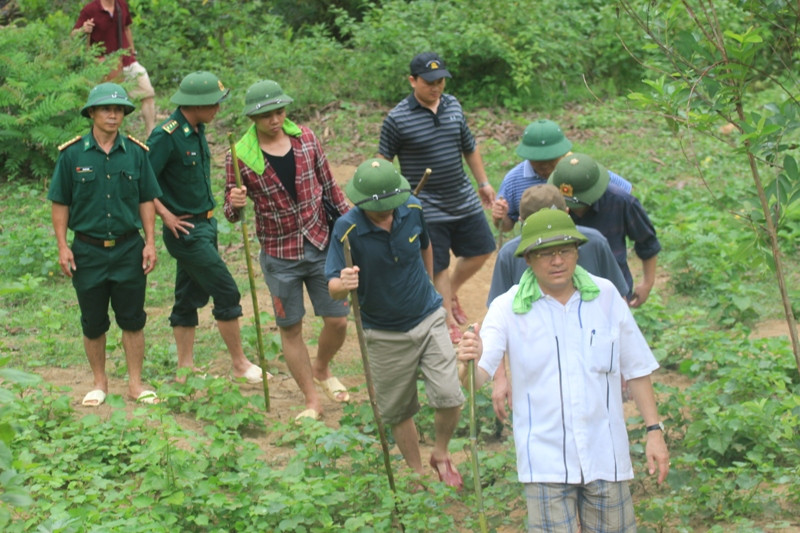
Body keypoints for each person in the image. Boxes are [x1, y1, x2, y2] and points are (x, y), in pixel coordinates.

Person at [458, 209, 669, 531]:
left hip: (606, 455)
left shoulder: (607, 297)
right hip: (545, 462)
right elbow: (478, 378)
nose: (556, 261)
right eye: (544, 253)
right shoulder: (508, 308)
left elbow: (637, 367)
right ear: (527, 259)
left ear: (576, 253)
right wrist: (466, 363)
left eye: (564, 251)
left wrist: (655, 432)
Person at [326, 159, 465, 489]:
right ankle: (417, 473)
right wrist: (342, 283)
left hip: (427, 316)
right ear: (360, 203)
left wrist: (432, 289)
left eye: (391, 207)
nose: (387, 214)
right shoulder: (346, 230)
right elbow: (331, 287)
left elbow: (426, 246)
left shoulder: (412, 207)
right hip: (383, 332)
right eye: (378, 211)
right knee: (399, 410)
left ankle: (441, 453)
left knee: (450, 395)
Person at [224, 80, 350, 421]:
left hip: (321, 244)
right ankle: (312, 400)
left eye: (279, 111)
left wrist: (351, 224)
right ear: (253, 117)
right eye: (266, 115)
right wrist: (235, 204)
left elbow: (330, 187)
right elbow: (230, 211)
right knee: (290, 327)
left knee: (338, 321)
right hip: (280, 254)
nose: (275, 120)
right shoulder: (239, 155)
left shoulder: (306, 139)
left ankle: (321, 368)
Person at [147, 71, 265, 384]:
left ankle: (184, 368)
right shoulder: (166, 136)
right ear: (195, 103)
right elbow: (141, 181)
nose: (218, 109)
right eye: (213, 103)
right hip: (185, 232)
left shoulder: (197, 129)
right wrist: (165, 215)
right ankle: (239, 363)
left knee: (187, 296)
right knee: (226, 290)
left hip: (206, 225)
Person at [47, 82, 160, 406]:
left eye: (119, 109)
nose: (113, 114)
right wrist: (62, 246)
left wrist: (150, 242)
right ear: (92, 113)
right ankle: (99, 382)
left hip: (128, 248)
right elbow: (60, 203)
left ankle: (136, 384)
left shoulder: (137, 153)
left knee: (133, 318)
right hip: (87, 250)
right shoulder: (72, 156)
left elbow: (146, 200)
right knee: (93, 321)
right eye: (106, 109)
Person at [378, 52, 496, 343]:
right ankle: (444, 317)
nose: (436, 87)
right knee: (438, 264)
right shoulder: (397, 118)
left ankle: (451, 291)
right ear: (412, 81)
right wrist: (389, 197)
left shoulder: (453, 105)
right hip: (426, 204)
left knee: (483, 248)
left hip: (463, 197)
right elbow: (382, 159)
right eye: (429, 82)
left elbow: (469, 146)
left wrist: (482, 182)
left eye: (441, 80)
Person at [487, 183, 629, 421]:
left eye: (564, 251)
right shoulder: (510, 256)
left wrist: (624, 363)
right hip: (538, 367)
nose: (556, 259)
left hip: (592, 358)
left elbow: (619, 305)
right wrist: (500, 378)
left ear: (567, 215)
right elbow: (496, 327)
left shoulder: (592, 243)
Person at [549, 153, 660, 307]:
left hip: (613, 292)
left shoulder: (621, 202)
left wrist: (647, 283)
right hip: (565, 296)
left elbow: (647, 242)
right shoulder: (550, 206)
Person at [492, 119, 631, 233]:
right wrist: (500, 217)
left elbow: (626, 194)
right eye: (538, 161)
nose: (545, 166)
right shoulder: (513, 180)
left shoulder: (581, 169)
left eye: (551, 159)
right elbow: (505, 227)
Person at [72, 0, 156, 135]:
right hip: (103, 65)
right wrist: (83, 29)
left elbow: (127, 28)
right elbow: (73, 34)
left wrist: (132, 51)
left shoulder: (121, 5)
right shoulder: (91, 9)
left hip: (127, 61)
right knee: (109, 105)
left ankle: (151, 137)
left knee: (148, 93)